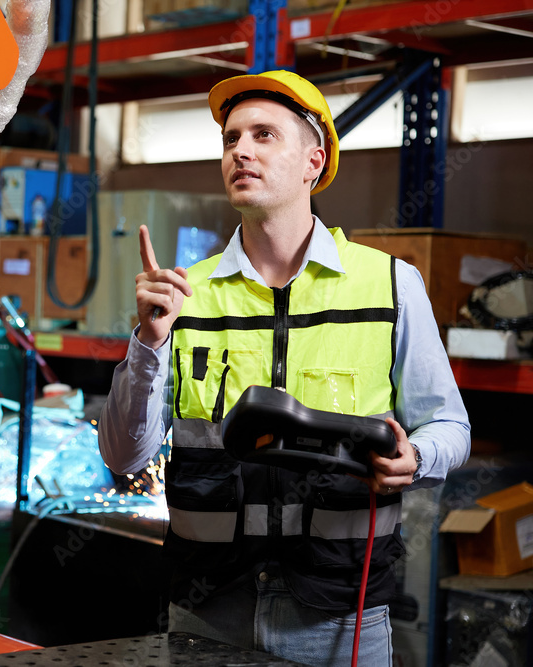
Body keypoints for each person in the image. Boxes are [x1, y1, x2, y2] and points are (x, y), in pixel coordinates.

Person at [98, 70, 470, 667]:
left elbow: (450, 427)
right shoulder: (183, 296)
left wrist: (416, 459)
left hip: (340, 614)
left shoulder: (391, 285)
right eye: (230, 138)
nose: (240, 149)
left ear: (312, 161)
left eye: (264, 134)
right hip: (208, 608)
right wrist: (148, 340)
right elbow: (123, 457)